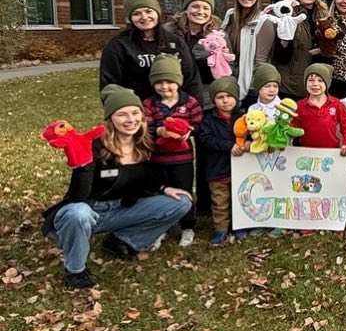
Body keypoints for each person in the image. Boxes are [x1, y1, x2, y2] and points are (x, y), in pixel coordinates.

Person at [44, 86, 193, 288]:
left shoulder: (144, 143)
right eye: (122, 114)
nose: (130, 119)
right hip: (91, 210)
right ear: (110, 118)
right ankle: (75, 271)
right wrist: (83, 166)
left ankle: (122, 241)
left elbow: (146, 177)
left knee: (181, 202)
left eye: (135, 113)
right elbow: (78, 197)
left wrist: (163, 188)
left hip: (123, 208)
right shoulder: (95, 145)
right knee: (77, 213)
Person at [141, 53, 203, 248]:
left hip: (182, 159)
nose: (164, 86)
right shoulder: (149, 104)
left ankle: (187, 226)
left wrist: (190, 130)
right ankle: (162, 227)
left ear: (178, 81)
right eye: (159, 82)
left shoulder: (189, 102)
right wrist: (159, 130)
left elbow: (199, 122)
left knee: (185, 192)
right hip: (158, 159)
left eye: (169, 82)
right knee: (160, 193)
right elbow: (145, 128)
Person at [100, 0, 199, 103]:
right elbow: (109, 85)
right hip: (136, 108)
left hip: (175, 108)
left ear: (157, 13)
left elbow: (191, 79)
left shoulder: (176, 42)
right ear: (130, 17)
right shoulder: (119, 45)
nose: (144, 17)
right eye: (137, 13)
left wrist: (195, 108)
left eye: (148, 11)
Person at [195, 75, 244, 246]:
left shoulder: (243, 117)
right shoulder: (208, 119)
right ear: (213, 100)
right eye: (220, 97)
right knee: (220, 201)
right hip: (217, 169)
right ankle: (221, 228)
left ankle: (239, 226)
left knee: (239, 198)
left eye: (229, 96)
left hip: (239, 168)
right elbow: (206, 139)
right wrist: (228, 146)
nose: (225, 100)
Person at [220, 0, 275, 100]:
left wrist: (255, 92)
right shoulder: (230, 16)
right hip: (229, 85)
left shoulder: (264, 22)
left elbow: (260, 63)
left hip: (252, 89)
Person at [273, 0, 330, 102]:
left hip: (316, 82)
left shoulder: (323, 14)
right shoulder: (288, 12)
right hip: (291, 83)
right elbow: (279, 53)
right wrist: (284, 40)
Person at [167, 0, 220, 108]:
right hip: (175, 95)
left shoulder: (218, 36)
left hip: (207, 97)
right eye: (195, 6)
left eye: (206, 8)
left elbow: (227, 70)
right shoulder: (169, 33)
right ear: (186, 9)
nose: (200, 12)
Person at [295, 64, 346, 154]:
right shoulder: (299, 105)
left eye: (320, 80)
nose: (315, 84)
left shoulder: (336, 104)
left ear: (327, 83)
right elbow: (292, 127)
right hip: (306, 152)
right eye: (311, 80)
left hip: (331, 152)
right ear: (305, 83)